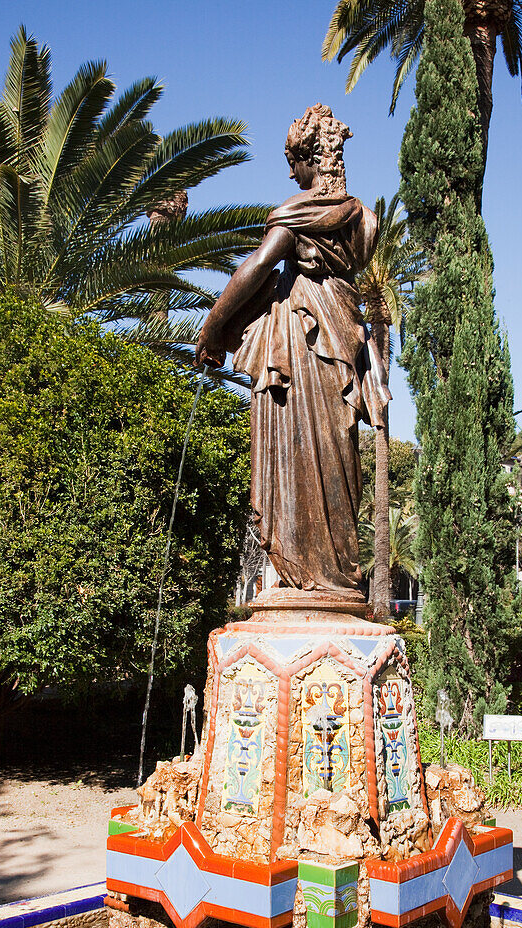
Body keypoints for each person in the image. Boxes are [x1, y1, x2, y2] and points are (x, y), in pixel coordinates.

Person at [195, 104, 389, 595]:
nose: (290, 171)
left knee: (304, 452)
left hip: (304, 350)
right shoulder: (363, 219)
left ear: (311, 157)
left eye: (293, 160)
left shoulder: (302, 212)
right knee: (335, 455)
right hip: (339, 341)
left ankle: (317, 576)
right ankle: (332, 572)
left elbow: (258, 267)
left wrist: (214, 326)